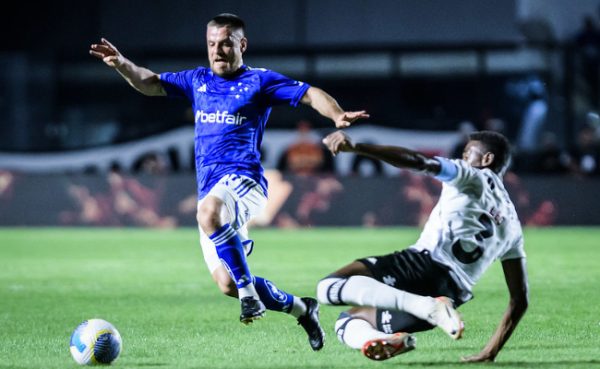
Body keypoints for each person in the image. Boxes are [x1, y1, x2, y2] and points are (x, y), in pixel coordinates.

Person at [89, 13, 368, 351]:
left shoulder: (259, 82)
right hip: (212, 189)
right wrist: (121, 64)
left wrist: (336, 114)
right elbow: (149, 82)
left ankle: (250, 296)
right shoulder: (197, 80)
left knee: (208, 213)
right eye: (211, 44)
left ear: (242, 45)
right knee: (226, 283)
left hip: (245, 182)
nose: (217, 51)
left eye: (224, 43)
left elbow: (310, 94)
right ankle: (302, 308)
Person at [317, 130, 528, 362]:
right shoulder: (513, 225)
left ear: (486, 159)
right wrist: (490, 352)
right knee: (348, 320)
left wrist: (358, 148)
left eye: (468, 153)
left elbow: (420, 162)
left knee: (328, 287)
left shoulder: (470, 175)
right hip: (452, 292)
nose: (463, 157)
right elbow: (519, 299)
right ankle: (382, 338)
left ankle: (428, 307)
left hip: (422, 266)